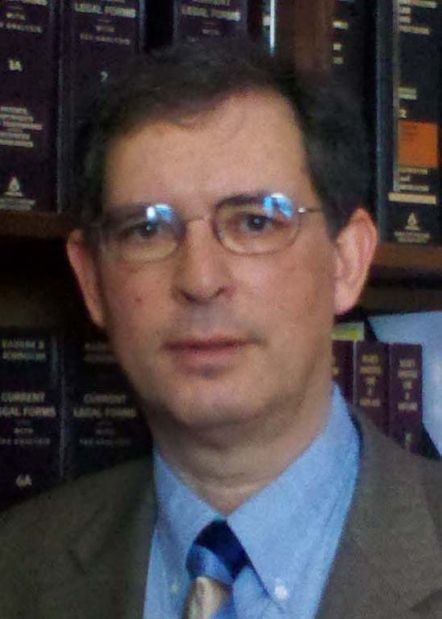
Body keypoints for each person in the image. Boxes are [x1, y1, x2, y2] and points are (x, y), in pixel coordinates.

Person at [0, 39, 441, 619]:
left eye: (255, 222)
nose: (200, 280)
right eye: (146, 230)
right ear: (91, 281)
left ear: (346, 262)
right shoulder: (16, 566)